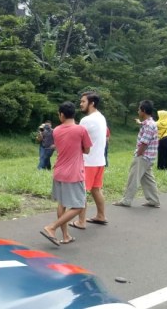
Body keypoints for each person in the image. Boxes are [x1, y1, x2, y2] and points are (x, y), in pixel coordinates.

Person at [40, 102, 91, 246]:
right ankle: (52, 227)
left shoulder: (56, 130)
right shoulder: (81, 130)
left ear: (62, 114)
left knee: (62, 203)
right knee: (79, 206)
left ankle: (66, 236)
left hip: (59, 171)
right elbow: (87, 150)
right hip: (74, 173)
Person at [70, 92, 108, 230]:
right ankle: (101, 215)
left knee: (81, 192)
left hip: (88, 162)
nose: (80, 104)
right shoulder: (101, 117)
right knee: (96, 189)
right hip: (99, 160)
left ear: (92, 103)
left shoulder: (87, 120)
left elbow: (77, 138)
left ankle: (81, 221)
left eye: (83, 101)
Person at [113, 100, 161, 208]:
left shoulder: (149, 125)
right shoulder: (150, 123)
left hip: (143, 156)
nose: (138, 111)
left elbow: (144, 143)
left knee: (133, 177)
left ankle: (126, 200)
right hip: (150, 157)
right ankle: (154, 200)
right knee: (148, 179)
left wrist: (138, 155)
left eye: (139, 109)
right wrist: (139, 122)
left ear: (143, 111)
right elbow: (144, 125)